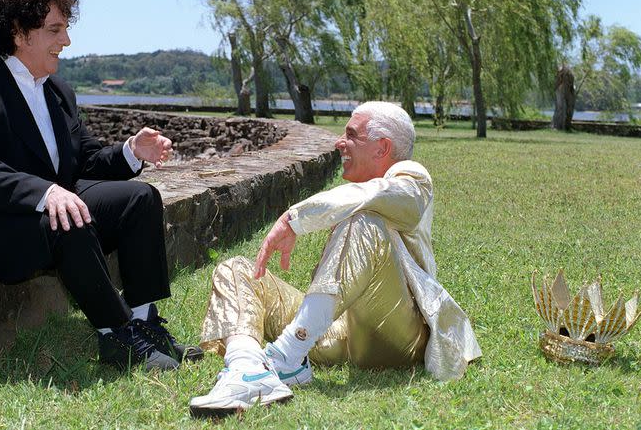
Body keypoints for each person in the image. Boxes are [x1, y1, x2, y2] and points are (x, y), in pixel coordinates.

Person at [0, 0, 201, 371]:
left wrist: (131, 150)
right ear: (21, 32)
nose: (67, 41)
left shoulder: (58, 90)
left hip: (48, 214)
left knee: (140, 199)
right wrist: (45, 193)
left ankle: (145, 323)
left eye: (65, 29)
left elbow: (83, 161)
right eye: (55, 30)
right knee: (67, 216)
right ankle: (117, 334)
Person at [189, 101, 481, 417]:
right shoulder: (361, 191)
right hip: (338, 332)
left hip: (396, 336)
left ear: (382, 148)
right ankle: (247, 369)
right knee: (235, 268)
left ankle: (286, 356)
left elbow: (378, 195)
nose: (339, 143)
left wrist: (293, 219)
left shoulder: (412, 178)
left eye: (351, 135)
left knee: (364, 222)